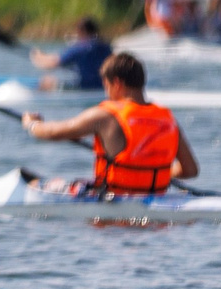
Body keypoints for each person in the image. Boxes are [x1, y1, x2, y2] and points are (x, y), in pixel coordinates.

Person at [21, 52, 200, 197]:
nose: (106, 92)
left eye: (106, 85)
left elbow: (52, 132)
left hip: (112, 198)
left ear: (116, 83)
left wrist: (31, 124)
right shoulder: (167, 118)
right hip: (156, 196)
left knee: (32, 183)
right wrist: (153, 175)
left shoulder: (105, 115)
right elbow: (190, 170)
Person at [30, 17, 111, 90]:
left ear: (82, 30)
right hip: (103, 86)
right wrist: (45, 56)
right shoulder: (106, 47)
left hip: (84, 87)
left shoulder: (80, 47)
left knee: (47, 82)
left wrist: (36, 56)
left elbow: (50, 64)